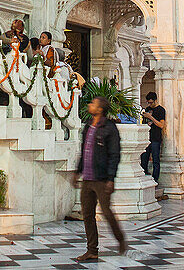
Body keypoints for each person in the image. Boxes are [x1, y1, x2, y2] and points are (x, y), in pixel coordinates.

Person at [74, 95, 125, 262]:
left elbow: (114, 154)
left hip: (102, 178)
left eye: (93, 103)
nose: (90, 105)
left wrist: (111, 178)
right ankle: (92, 250)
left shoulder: (109, 128)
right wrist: (78, 171)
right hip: (88, 178)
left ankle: (120, 239)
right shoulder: (89, 125)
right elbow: (85, 151)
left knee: (106, 211)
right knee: (87, 214)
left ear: (100, 109)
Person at [139, 92, 166, 182]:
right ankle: (145, 175)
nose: (150, 104)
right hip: (146, 138)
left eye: (151, 102)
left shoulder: (161, 110)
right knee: (144, 159)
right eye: (148, 103)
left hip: (156, 138)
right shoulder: (147, 109)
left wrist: (151, 117)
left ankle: (155, 179)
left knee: (155, 160)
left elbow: (161, 125)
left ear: (155, 100)